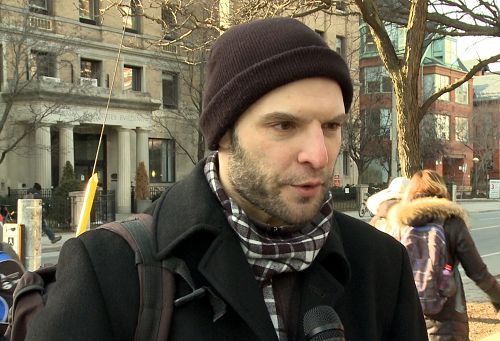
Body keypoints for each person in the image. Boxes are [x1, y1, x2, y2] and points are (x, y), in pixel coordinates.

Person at [25, 18, 427, 340]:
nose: (319, 155)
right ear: (222, 135)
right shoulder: (110, 270)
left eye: (331, 125)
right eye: (284, 125)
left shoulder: (381, 265)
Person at [386, 169, 500, 340]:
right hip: (448, 320)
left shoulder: (398, 225)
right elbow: (477, 272)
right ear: (441, 190)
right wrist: (496, 297)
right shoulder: (452, 222)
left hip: (408, 316)